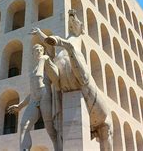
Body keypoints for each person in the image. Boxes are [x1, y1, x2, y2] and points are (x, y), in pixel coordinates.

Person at [30, 9, 113, 151]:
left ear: (82, 29)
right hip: (67, 89)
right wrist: (39, 34)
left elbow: (83, 78)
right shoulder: (60, 52)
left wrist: (64, 44)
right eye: (70, 23)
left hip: (96, 108)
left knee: (106, 135)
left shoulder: (75, 44)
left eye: (76, 23)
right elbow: (50, 47)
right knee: (51, 63)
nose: (72, 24)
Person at [7, 44, 59, 151]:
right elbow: (32, 92)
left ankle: (59, 148)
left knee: (50, 128)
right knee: (23, 126)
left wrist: (44, 60)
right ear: (33, 53)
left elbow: (50, 53)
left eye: (41, 50)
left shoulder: (46, 60)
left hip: (45, 95)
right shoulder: (34, 69)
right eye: (36, 50)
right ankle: (24, 149)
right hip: (34, 99)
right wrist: (20, 105)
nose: (39, 51)